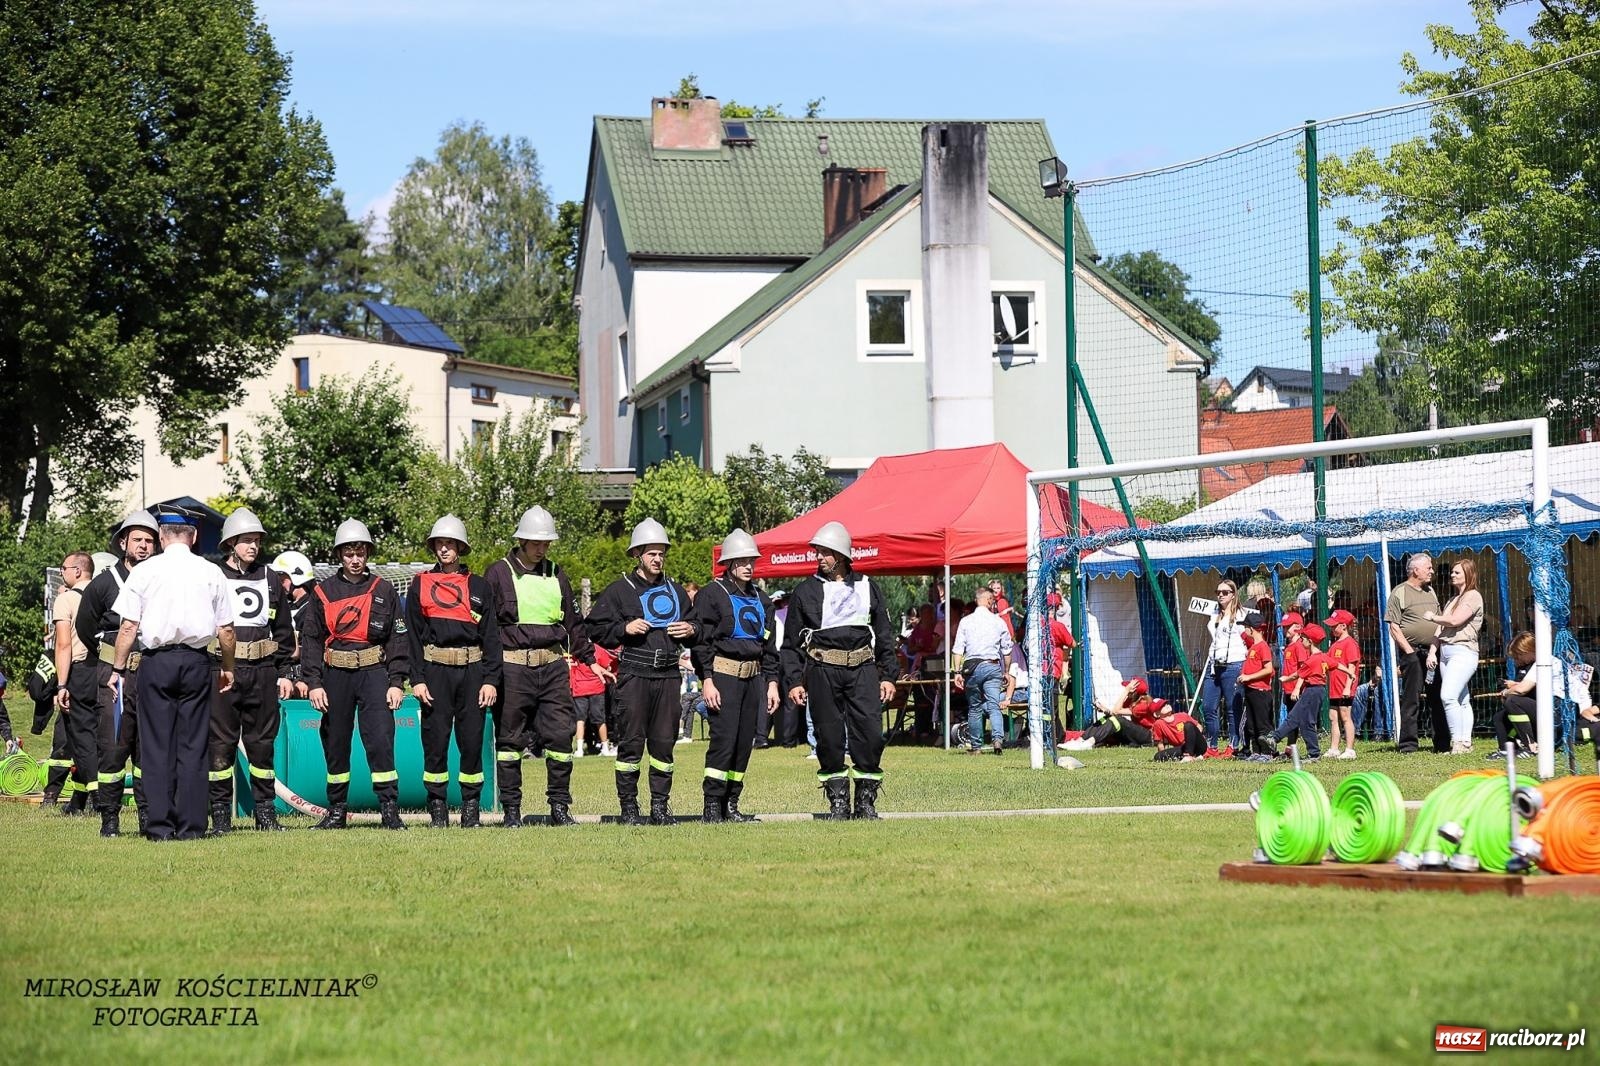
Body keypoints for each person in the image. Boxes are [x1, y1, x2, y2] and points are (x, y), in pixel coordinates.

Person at [108, 508, 236, 841]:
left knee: (156, 746)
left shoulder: (144, 571)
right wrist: (228, 668)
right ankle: (192, 826)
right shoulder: (210, 571)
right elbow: (226, 630)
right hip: (196, 661)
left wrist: (117, 668)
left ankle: (160, 827)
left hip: (156, 661)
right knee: (194, 745)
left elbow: (128, 627)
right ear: (193, 537)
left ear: (162, 538)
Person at [484, 505, 604, 828]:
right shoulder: (498, 574)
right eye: (537, 543)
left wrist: (590, 660)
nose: (542, 549)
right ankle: (511, 810)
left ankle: (559, 808)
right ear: (522, 540)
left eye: (546, 543)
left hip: (553, 668)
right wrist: (488, 675)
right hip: (513, 669)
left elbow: (574, 623)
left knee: (561, 738)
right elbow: (487, 629)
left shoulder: (557, 574)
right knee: (510, 742)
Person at [781, 521, 897, 821]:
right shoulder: (805, 591)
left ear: (842, 555)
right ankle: (839, 802)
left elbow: (884, 634)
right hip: (822, 669)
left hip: (863, 669)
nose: (819, 557)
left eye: (826, 552)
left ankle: (866, 802)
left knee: (870, 734)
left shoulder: (867, 586)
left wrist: (888, 675)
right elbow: (791, 643)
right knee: (828, 736)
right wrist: (794, 681)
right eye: (818, 552)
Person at [300, 519, 410, 831]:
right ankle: (337, 811)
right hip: (336, 675)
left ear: (367, 554)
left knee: (381, 740)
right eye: (349, 553)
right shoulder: (323, 593)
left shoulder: (384, 589)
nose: (355, 559)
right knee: (335, 742)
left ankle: (389, 810)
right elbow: (311, 640)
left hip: (374, 674)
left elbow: (397, 639)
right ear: (340, 555)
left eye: (360, 553)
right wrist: (314, 683)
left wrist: (396, 682)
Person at [588, 518, 699, 826]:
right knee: (631, 743)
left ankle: (660, 808)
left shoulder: (676, 591)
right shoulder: (619, 591)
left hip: (668, 676)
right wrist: (623, 628)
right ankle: (629, 808)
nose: (657, 559)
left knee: (664, 744)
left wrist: (691, 628)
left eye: (661, 553)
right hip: (634, 674)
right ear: (637, 554)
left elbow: (699, 625)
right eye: (651, 553)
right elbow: (594, 627)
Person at [406, 515, 502, 829]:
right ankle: (437, 808)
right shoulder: (419, 584)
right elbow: (412, 637)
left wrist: (491, 680)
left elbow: (491, 637)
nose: (444, 549)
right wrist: (417, 679)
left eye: (450, 543)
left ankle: (471, 809)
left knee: (471, 743)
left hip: (473, 672)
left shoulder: (480, 586)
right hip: (435, 672)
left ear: (460, 547)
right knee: (435, 743)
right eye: (439, 544)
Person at [207, 508, 295, 833]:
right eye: (247, 540)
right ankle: (220, 815)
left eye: (257, 541)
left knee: (262, 745)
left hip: (262, 671)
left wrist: (284, 672)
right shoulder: (213, 576)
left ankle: (265, 813)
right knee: (220, 745)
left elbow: (283, 629)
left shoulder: (270, 578)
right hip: (223, 672)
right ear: (231, 543)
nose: (253, 546)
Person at [75, 510, 159, 835]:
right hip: (113, 676)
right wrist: (108, 657)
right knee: (112, 748)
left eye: (149, 540)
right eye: (137, 539)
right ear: (123, 543)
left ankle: (148, 818)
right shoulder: (104, 583)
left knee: (146, 750)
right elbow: (85, 626)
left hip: (151, 674)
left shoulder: (160, 579)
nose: (143, 545)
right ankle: (109, 818)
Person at [688, 529, 780, 823]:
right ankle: (712, 805)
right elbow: (701, 643)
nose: (748, 566)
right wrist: (707, 680)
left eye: (751, 560)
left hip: (753, 679)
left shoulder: (762, 600)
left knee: (743, 744)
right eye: (741, 561)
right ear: (728, 563)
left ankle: (731, 803)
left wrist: (772, 684)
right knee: (724, 741)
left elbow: (769, 647)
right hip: (723, 676)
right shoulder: (711, 594)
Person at [47, 552, 96, 814]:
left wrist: (61, 685)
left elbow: (63, 645)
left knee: (80, 737)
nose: (61, 572)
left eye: (64, 568)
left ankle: (96, 797)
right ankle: (79, 800)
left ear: (77, 571)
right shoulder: (105, 595)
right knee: (98, 736)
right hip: (105, 670)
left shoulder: (65, 599)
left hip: (78, 671)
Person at [1427, 558, 1484, 755]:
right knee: (1461, 698)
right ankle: (1465, 742)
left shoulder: (1473, 596)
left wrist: (1433, 616)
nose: (1452, 575)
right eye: (1452, 572)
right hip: (1445, 652)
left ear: (1468, 574)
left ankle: (1458, 742)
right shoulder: (1452, 600)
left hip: (1463, 651)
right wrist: (1432, 651)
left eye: (1457, 572)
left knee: (1448, 695)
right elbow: (1441, 628)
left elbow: (1454, 620)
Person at [1384, 553, 1438, 754]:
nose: (1432, 571)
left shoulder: (1431, 592)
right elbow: (1394, 627)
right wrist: (1410, 653)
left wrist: (1434, 648)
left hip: (1433, 653)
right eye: (1428, 568)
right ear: (1415, 570)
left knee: (1437, 697)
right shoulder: (1399, 592)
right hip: (1412, 653)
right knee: (1411, 700)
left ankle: (1442, 742)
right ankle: (1408, 744)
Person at [951, 586, 1014, 756]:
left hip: (971, 668)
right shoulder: (998, 621)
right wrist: (1006, 671)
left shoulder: (965, 621)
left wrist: (957, 672)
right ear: (989, 601)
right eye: (993, 600)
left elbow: (958, 649)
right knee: (994, 706)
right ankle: (998, 739)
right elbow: (1007, 650)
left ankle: (976, 747)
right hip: (992, 666)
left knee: (975, 708)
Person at [1263, 622, 1329, 761]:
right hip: (1313, 690)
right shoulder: (1321, 656)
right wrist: (1349, 673)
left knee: (1295, 717)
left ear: (1310, 641)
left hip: (1311, 690)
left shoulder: (1311, 658)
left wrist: (1295, 686)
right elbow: (1336, 664)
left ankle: (1275, 737)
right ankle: (1313, 753)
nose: (1301, 639)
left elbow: (1300, 674)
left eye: (1303, 638)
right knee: (1306, 722)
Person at [1202, 578, 1250, 754]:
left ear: (1233, 594)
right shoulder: (1215, 613)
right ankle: (1211, 746)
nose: (1220, 595)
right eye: (1218, 592)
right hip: (1214, 664)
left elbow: (1249, 638)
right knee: (1208, 706)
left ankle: (1233, 745)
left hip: (1233, 664)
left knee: (1232, 707)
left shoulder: (1241, 615)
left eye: (1225, 592)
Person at [270, 550, 319, 698]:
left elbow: (314, 651)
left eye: (281, 579)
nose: (277, 584)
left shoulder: (313, 610)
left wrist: (304, 678)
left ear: (296, 577)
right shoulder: (285, 607)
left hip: (302, 685)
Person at [1059, 678, 1157, 751]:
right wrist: (1105, 710)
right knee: (1108, 718)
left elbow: (1116, 711)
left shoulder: (1144, 704)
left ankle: (1090, 742)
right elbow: (1115, 713)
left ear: (1134, 692)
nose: (1126, 689)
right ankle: (1080, 740)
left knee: (1117, 719)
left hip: (1149, 737)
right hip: (1137, 733)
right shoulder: (1132, 700)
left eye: (1128, 688)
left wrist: (1126, 690)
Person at [1325, 609, 1361, 760]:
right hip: (1334, 688)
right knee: (1333, 717)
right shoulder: (1334, 645)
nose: (1331, 628)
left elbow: (1351, 668)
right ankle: (1334, 748)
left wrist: (1347, 687)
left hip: (1344, 688)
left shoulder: (1350, 644)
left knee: (1345, 716)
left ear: (1344, 626)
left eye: (1334, 626)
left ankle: (1350, 749)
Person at [1238, 624, 1277, 759]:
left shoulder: (1263, 646)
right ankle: (1256, 751)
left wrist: (1249, 677)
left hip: (1260, 691)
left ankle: (1267, 752)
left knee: (1262, 724)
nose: (1244, 630)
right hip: (1250, 690)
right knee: (1251, 724)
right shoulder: (1253, 647)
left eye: (1245, 627)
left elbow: (1268, 669)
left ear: (1251, 629)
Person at [570, 644, 615, 758]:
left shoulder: (576, 649)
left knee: (580, 720)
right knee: (600, 720)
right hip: (596, 688)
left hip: (579, 688)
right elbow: (607, 666)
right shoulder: (598, 649)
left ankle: (579, 750)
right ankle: (605, 748)